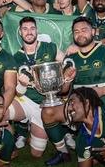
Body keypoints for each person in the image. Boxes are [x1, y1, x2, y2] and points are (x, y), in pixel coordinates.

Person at [41, 16, 105, 166]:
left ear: (93, 31)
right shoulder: (71, 58)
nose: (80, 34)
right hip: (77, 109)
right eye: (76, 31)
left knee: (94, 157)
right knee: (47, 112)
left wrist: (101, 91)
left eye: (84, 30)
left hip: (103, 108)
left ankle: (95, 140)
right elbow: (63, 92)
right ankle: (63, 152)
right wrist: (67, 80)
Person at [11, 16, 66, 158]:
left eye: (32, 28)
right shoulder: (15, 58)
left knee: (36, 153)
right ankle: (6, 144)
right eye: (25, 29)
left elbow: (64, 65)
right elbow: (16, 92)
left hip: (46, 103)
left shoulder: (50, 47)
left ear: (37, 30)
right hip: (25, 100)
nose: (29, 32)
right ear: (20, 33)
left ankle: (33, 130)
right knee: (4, 109)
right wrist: (22, 85)